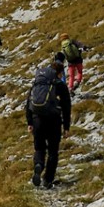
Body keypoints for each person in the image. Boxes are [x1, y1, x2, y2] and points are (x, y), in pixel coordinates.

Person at [24, 51, 72, 188]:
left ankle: (38, 165)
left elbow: (28, 103)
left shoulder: (38, 84)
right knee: (53, 151)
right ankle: (48, 180)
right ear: (60, 73)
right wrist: (66, 127)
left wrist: (30, 122)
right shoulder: (59, 85)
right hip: (54, 121)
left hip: (37, 119)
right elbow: (66, 106)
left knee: (39, 148)